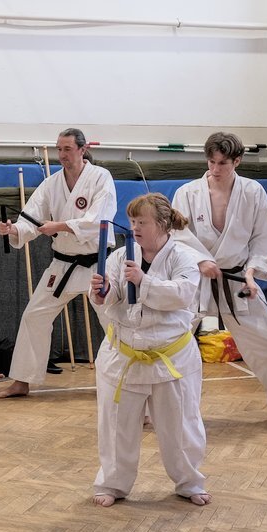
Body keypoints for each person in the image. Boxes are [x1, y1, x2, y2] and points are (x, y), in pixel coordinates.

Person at [170, 132, 267, 427]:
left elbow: (263, 236)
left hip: (237, 280)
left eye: (223, 163)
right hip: (196, 278)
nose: (215, 169)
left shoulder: (253, 191)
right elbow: (178, 235)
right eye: (211, 161)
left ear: (237, 161)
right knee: (168, 342)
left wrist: (251, 272)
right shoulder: (187, 192)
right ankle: (150, 410)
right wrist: (201, 260)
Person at [89, 193, 210, 507]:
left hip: (172, 356)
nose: (135, 227)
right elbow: (112, 294)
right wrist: (101, 293)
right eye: (132, 222)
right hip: (123, 355)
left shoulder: (183, 257)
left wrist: (144, 280)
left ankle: (189, 481)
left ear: (162, 224)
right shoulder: (119, 256)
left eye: (142, 222)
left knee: (180, 424)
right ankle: (112, 483)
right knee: (116, 425)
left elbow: (182, 294)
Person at [0, 128, 117, 398]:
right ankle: (22, 381)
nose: (62, 155)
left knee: (114, 321)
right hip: (62, 265)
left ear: (82, 150)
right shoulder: (51, 184)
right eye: (59, 149)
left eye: (67, 149)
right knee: (34, 316)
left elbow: (101, 219)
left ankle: (124, 381)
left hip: (98, 264)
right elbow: (31, 217)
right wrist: (13, 230)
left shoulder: (100, 178)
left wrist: (60, 225)